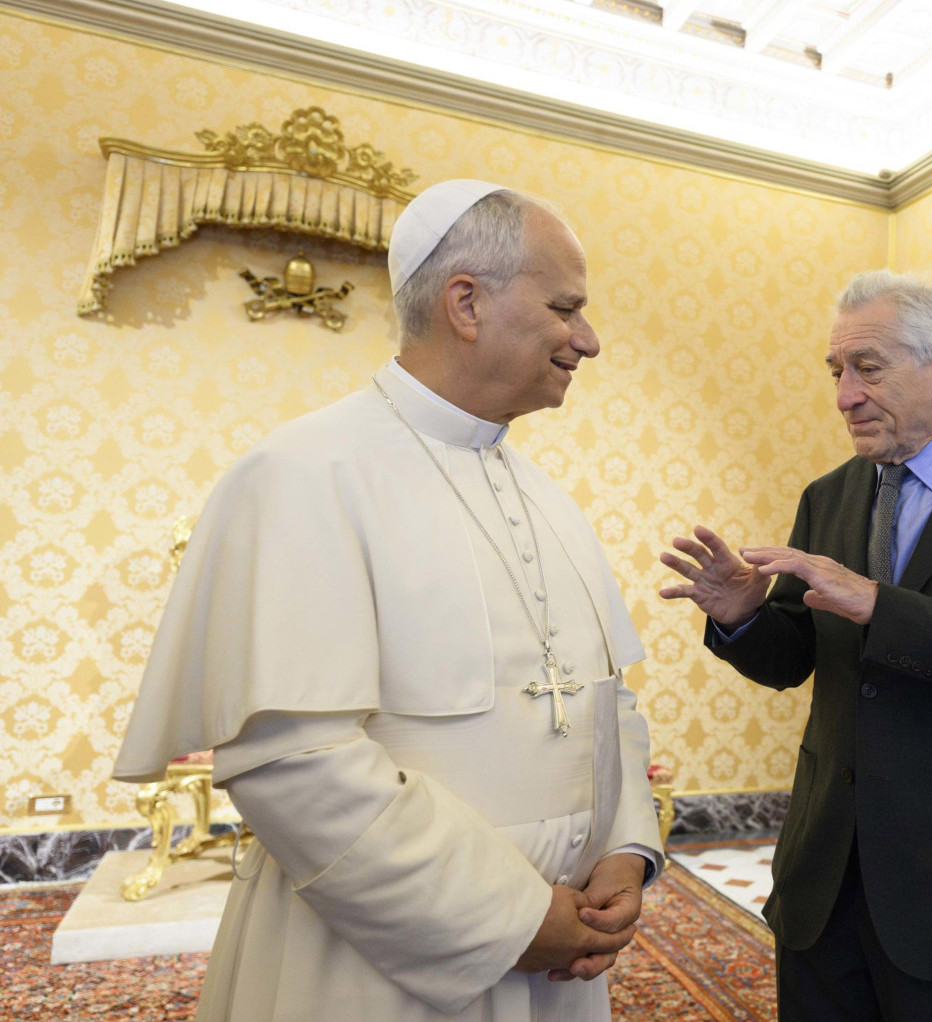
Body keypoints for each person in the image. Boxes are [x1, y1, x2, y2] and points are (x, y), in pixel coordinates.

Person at [113, 180, 664, 1022]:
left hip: (562, 953)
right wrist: (509, 918)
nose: (586, 341)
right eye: (564, 308)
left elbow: (607, 704)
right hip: (374, 963)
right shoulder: (301, 475)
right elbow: (294, 762)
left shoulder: (549, 497)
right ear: (466, 303)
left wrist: (625, 854)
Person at [658, 271, 932, 1022]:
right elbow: (794, 657)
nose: (844, 395)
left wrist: (880, 606)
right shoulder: (828, 495)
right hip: (821, 879)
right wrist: (742, 618)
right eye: (836, 371)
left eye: (867, 367)